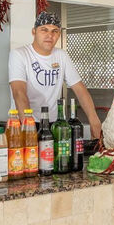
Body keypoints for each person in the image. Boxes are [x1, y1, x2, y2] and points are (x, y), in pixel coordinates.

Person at [9, 11, 102, 139]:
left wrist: (94, 121)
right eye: (44, 30)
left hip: (53, 124)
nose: (50, 35)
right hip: (24, 123)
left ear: (59, 34)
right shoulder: (19, 54)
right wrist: (29, 129)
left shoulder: (61, 55)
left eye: (55, 31)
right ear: (34, 32)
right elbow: (19, 93)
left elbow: (80, 90)